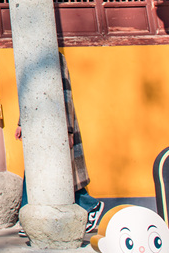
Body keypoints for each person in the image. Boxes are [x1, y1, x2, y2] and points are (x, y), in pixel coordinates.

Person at [16, 52, 104, 232]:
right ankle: (27, 216)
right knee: (36, 168)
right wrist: (21, 121)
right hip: (36, 121)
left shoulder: (55, 57)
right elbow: (29, 92)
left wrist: (68, 128)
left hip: (57, 121)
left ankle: (89, 206)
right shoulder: (28, 55)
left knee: (63, 170)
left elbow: (66, 94)